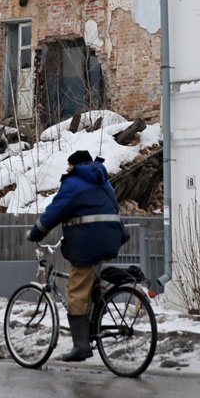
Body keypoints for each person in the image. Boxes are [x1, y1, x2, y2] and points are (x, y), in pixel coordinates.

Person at [28, 150, 129, 362]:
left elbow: (55, 212)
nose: (66, 169)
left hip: (87, 242)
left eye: (69, 165)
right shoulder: (103, 181)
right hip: (111, 237)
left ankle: (81, 346)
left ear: (75, 166)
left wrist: (36, 232)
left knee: (75, 288)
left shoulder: (73, 183)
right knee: (89, 282)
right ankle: (96, 308)